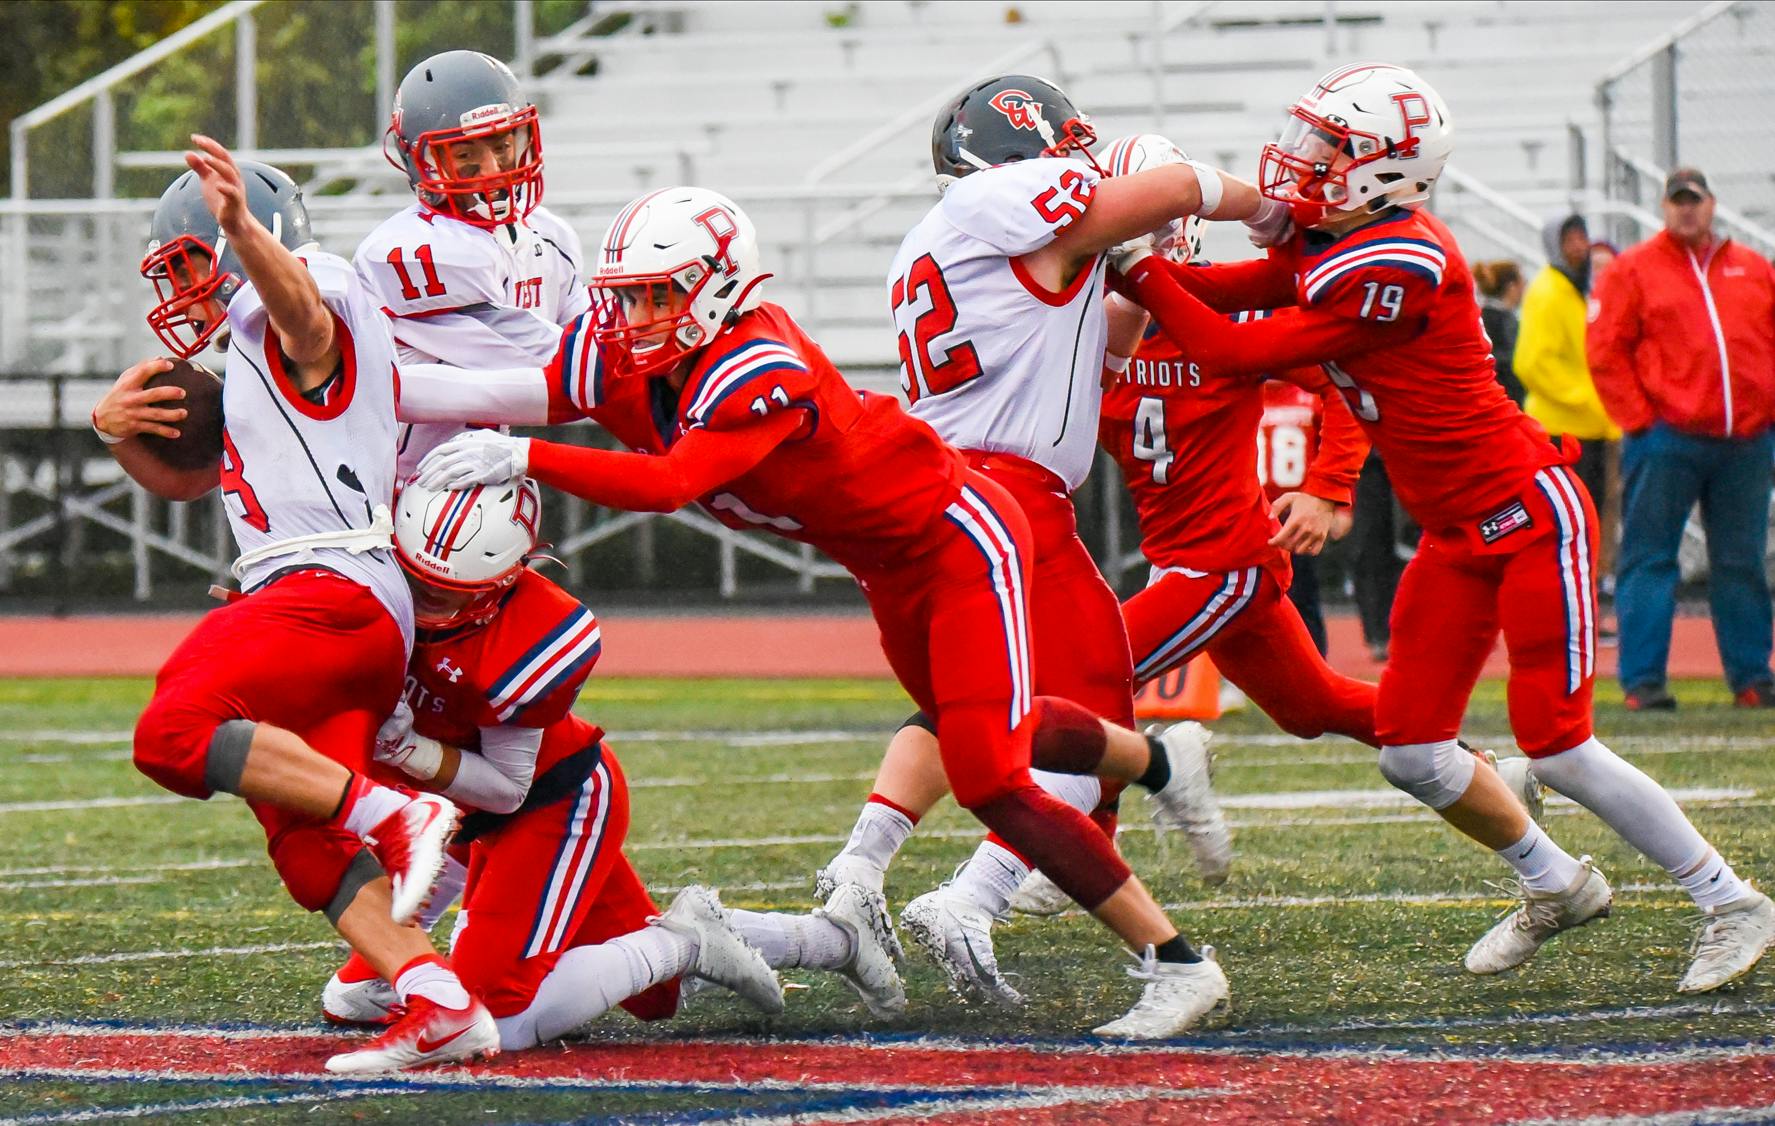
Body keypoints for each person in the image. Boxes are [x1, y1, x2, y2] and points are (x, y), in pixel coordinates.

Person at [415, 186, 1239, 1036]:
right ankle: (1159, 762)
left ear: (720, 285)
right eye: (628, 295)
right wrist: (370, 389)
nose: (637, 316)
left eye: (659, 294)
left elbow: (670, 482)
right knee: (995, 726)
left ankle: (1176, 963)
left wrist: (525, 457)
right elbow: (520, 389)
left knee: (988, 777)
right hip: (886, 567)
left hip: (956, 543)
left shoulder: (757, 362)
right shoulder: (629, 350)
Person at [1112, 63, 1775, 994]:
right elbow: (1225, 290)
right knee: (1411, 753)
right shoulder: (1342, 235)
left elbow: (1232, 342)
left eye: (1329, 146)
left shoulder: (1398, 259)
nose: (1306, 159)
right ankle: (1553, 883)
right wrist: (1144, 257)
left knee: (1558, 745)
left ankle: (1729, 899)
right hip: (1455, 534)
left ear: (1388, 168)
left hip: (1529, 515)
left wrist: (1134, 261)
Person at [815, 84, 1292, 1007]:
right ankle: (1009, 907)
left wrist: (1138, 274)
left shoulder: (943, 238)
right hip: (1004, 503)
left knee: (981, 712)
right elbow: (1177, 186)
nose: (1081, 165)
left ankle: (862, 870)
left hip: (935, 494)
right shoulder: (1007, 201)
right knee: (1078, 730)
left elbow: (1088, 355)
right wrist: (1268, 212)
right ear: (1021, 155)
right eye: (1066, 149)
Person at [91, 138, 495, 1072]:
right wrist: (109, 431)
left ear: (244, 242)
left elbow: (308, 324)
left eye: (187, 263)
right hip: (334, 606)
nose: (180, 289)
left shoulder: (309, 288)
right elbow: (187, 481)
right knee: (305, 839)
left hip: (329, 592)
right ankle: (439, 1000)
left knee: (171, 731)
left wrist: (238, 229)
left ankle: (400, 817)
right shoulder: (247, 358)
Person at [321, 478, 878, 1054]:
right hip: (458, 818)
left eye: (449, 591)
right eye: (416, 580)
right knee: (355, 997)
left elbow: (507, 790)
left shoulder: (526, 634)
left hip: (551, 804)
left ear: (508, 575)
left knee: (490, 1022)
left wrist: (408, 750)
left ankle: (682, 944)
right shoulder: (366, 581)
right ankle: (832, 939)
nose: (426, 602)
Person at [1587, 168, 1775, 710]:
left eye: (1695, 200)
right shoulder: (1633, 270)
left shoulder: (1753, 268)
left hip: (1746, 439)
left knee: (1741, 560)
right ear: (1664, 208)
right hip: (1667, 438)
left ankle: (1752, 677)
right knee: (1650, 557)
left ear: (1712, 204)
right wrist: (1641, 420)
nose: (1687, 209)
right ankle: (1643, 681)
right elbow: (1605, 350)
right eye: (1677, 201)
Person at [357, 50, 592, 478]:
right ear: (421, 162)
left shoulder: (551, 235)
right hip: (388, 483)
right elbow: (572, 371)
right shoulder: (408, 250)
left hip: (476, 470)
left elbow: (593, 342)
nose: (492, 169)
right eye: (464, 155)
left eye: (502, 146)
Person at [1515, 215, 1620, 582]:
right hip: (1562, 431)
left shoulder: (1574, 290)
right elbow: (1532, 363)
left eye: (1581, 238)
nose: (1578, 247)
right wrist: (1589, 399)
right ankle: (1566, 595)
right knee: (1568, 523)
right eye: (1569, 240)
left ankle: (1583, 592)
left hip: (1588, 427)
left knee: (1588, 520)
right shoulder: (1548, 292)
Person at [1472, 260, 1525, 405]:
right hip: (1506, 398)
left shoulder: (1479, 316)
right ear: (1511, 287)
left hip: (1486, 397)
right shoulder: (1506, 323)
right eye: (1522, 284)